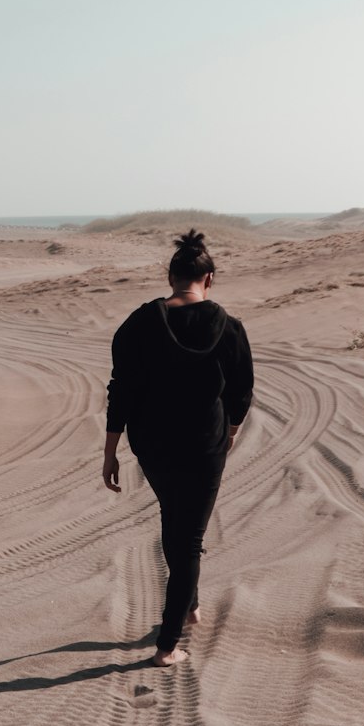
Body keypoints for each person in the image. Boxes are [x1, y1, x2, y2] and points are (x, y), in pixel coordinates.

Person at [103, 228, 254, 667]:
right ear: (210, 279)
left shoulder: (137, 323)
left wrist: (110, 450)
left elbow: (121, 390)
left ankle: (188, 605)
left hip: (151, 443)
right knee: (188, 536)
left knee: (178, 520)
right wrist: (232, 430)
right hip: (206, 443)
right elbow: (242, 390)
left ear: (171, 277)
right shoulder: (229, 327)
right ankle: (168, 645)